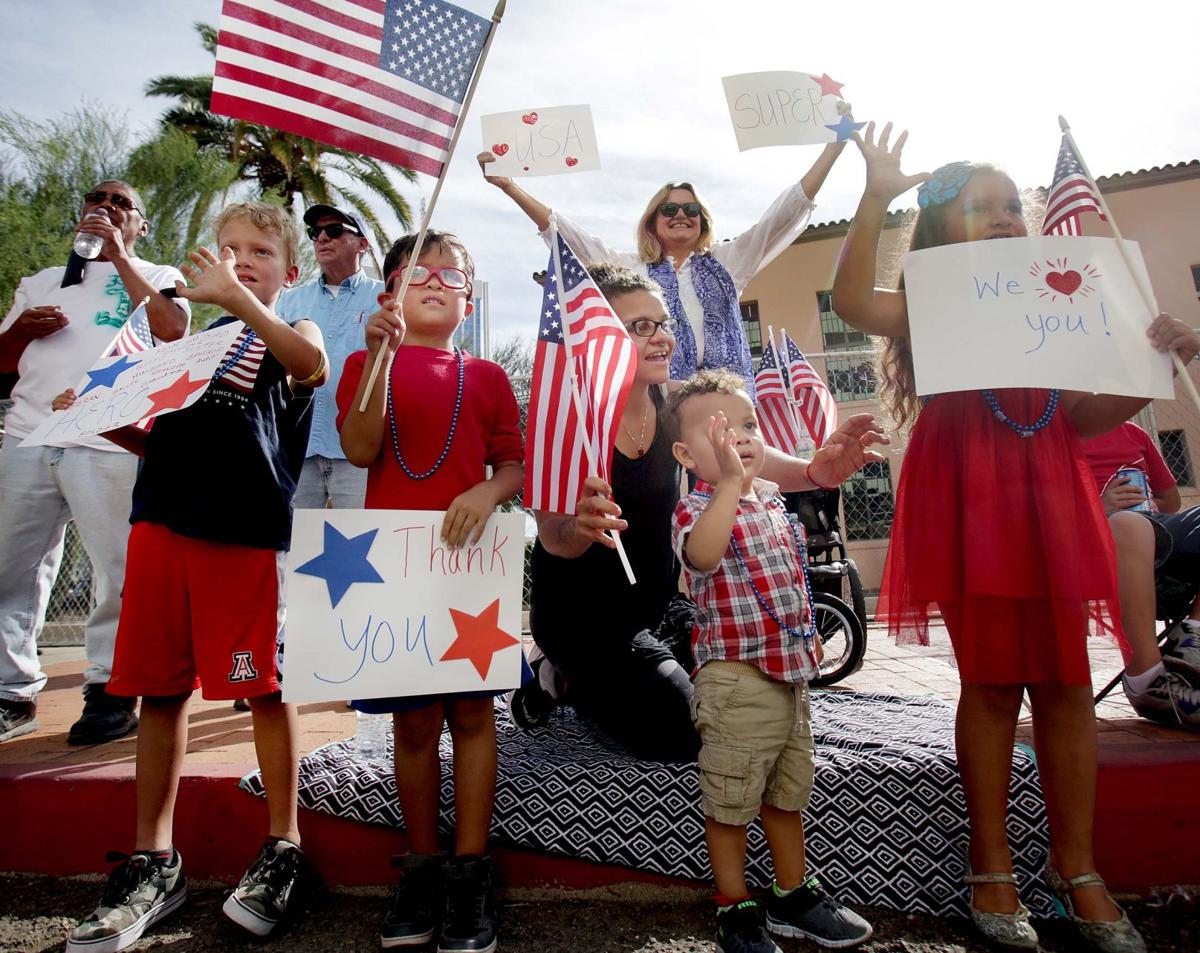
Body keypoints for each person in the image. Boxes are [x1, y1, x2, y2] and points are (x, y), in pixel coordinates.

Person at [829, 123, 1197, 952]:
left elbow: (1082, 414)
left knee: (1067, 682)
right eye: (981, 208)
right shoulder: (933, 299)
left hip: (1051, 490)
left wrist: (1150, 365)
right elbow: (853, 302)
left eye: (1009, 208)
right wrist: (876, 194)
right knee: (993, 682)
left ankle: (1081, 871)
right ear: (940, 230)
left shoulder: (1053, 296)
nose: (1001, 219)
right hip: (968, 490)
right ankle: (989, 866)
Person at [63, 201, 328, 951]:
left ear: (290, 271)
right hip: (160, 525)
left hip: (238, 535)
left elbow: (315, 366)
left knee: (261, 686)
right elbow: (156, 439)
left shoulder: (288, 333)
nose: (242, 260)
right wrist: (96, 412)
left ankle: (284, 843)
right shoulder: (185, 345)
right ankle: (154, 857)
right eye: (228, 248)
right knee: (159, 687)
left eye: (260, 252)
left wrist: (239, 299)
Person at [523, 265, 886, 762]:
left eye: (664, 323)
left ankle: (585, 678)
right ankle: (560, 675)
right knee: (693, 732)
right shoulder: (567, 418)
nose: (661, 338)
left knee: (752, 698)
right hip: (588, 624)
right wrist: (580, 528)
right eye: (639, 327)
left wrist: (816, 471)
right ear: (597, 337)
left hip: (661, 612)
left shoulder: (673, 401)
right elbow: (551, 536)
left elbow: (738, 448)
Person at [337, 230, 524, 953]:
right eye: (421, 272)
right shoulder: (364, 359)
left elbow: (513, 462)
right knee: (413, 724)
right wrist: (380, 353)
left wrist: (486, 489)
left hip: (468, 569)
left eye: (454, 274)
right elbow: (359, 447)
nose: (439, 280)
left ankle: (471, 873)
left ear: (469, 299)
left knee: (474, 714)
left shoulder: (487, 378)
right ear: (390, 294)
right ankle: (421, 865)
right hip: (394, 570)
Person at [668, 369, 873, 953]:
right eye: (721, 431)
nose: (742, 439)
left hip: (789, 679)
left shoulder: (771, 501)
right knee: (731, 800)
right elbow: (703, 558)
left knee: (787, 796)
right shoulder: (697, 508)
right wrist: (731, 484)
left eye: (749, 425)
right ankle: (735, 905)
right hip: (735, 681)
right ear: (686, 454)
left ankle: (791, 894)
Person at [0, 180, 189, 745]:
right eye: (95, 200)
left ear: (140, 225)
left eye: (121, 203)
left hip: (111, 440)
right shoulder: (38, 283)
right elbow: (2, 367)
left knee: (120, 571)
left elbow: (173, 330)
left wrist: (120, 257)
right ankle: (12, 692)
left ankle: (110, 691)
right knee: (12, 567)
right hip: (29, 437)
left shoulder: (158, 275)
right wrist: (19, 331)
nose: (104, 208)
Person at [478, 143, 846, 393]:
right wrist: (510, 187)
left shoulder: (726, 262)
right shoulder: (633, 269)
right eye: (669, 210)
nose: (681, 215)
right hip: (660, 397)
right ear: (652, 221)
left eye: (691, 210)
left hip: (727, 395)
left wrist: (833, 149)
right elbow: (569, 236)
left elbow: (784, 215)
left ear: (703, 221)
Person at [1082, 421, 1200, 728]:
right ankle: (1146, 679)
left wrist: (1147, 502)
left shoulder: (1133, 433)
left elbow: (1170, 500)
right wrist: (1101, 503)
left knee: (1136, 521)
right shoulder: (1054, 437)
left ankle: (1191, 640)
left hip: (1157, 527)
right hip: (1093, 537)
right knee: (1126, 523)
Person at [276, 204, 382, 509]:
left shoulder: (386, 299)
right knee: (295, 550)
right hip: (297, 449)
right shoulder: (289, 301)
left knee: (363, 549)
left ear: (363, 243)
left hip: (359, 455)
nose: (322, 238)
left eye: (334, 230)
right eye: (315, 232)